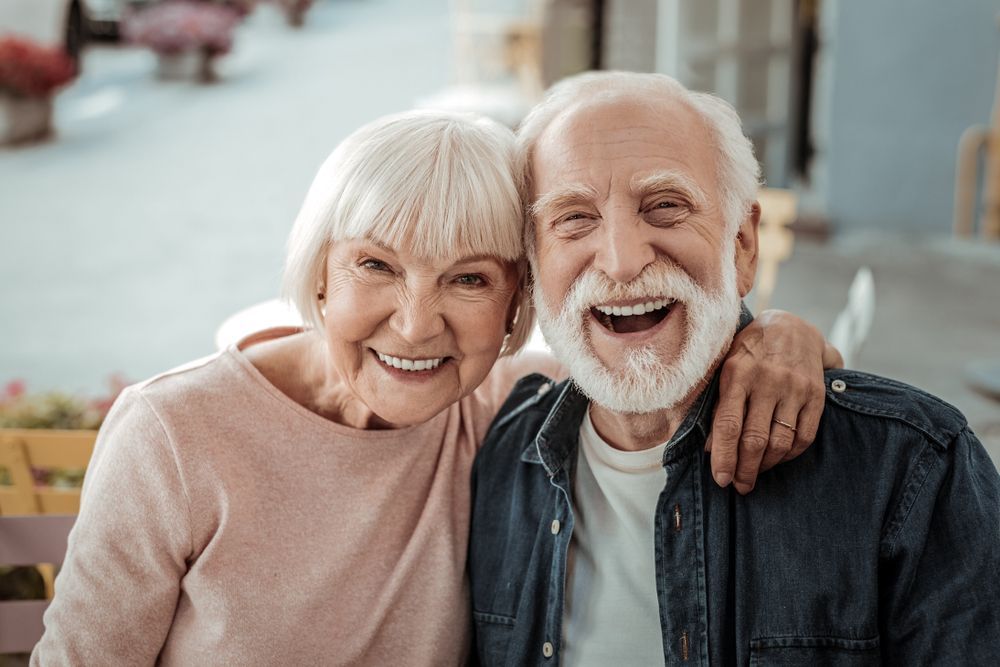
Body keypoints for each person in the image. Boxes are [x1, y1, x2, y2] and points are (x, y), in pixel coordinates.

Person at [33, 110, 834, 666]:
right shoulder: (173, 435)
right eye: (375, 265)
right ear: (319, 273)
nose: (416, 326)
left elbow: (665, 358)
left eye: (468, 278)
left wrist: (779, 336)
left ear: (518, 305)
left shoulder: (505, 409)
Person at [468, 71, 1000, 665]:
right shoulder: (494, 456)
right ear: (534, 263)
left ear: (743, 244)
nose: (621, 261)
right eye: (573, 217)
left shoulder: (910, 468)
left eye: (665, 207)